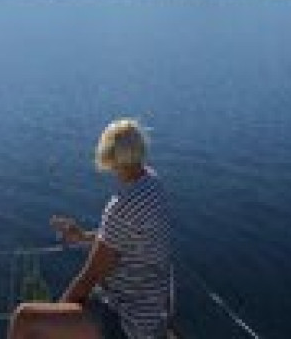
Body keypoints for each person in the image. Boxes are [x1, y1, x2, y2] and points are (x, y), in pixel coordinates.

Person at [9, 118, 173, 339]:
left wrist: (60, 311)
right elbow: (123, 237)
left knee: (25, 318)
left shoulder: (121, 206)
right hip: (151, 311)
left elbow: (90, 276)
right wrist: (82, 236)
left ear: (109, 156)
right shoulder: (152, 184)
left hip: (127, 321)